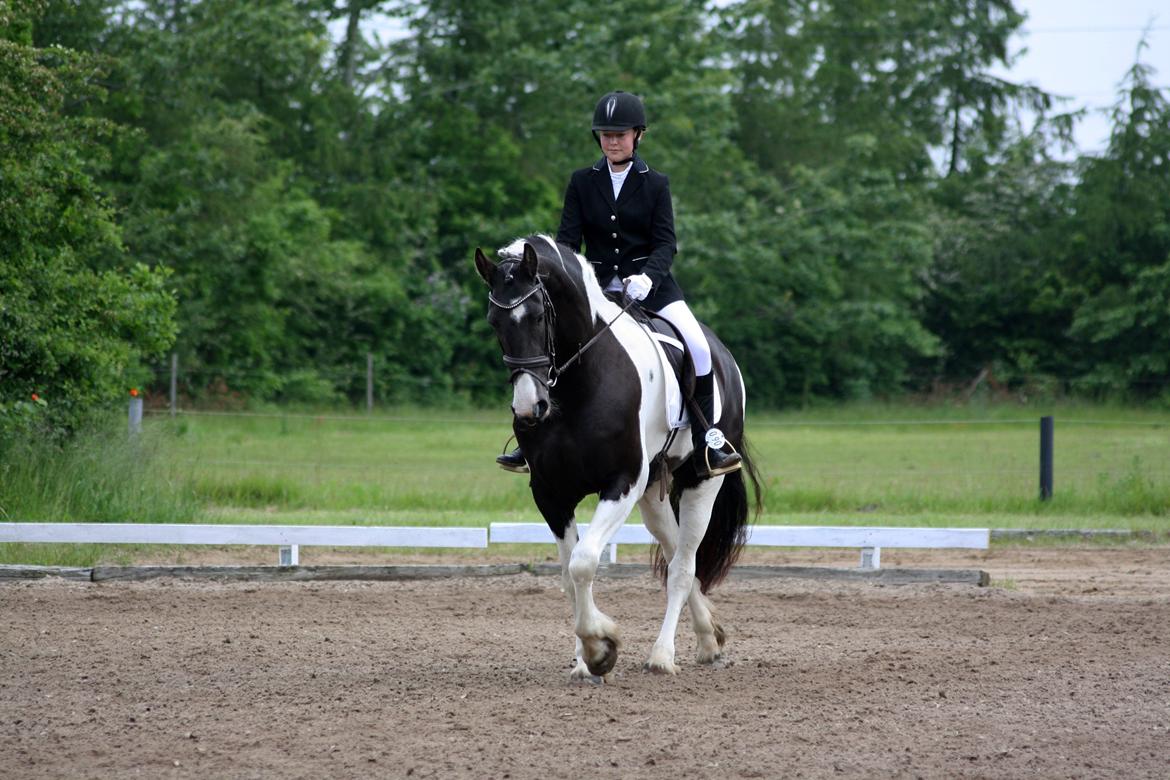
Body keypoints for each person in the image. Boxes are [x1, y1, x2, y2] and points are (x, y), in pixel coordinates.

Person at [497, 90, 741, 479]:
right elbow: (567, 242)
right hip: (595, 292)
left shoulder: (655, 184)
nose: (612, 141)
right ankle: (528, 439)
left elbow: (666, 243)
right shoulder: (582, 182)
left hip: (652, 288)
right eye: (605, 134)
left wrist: (648, 277)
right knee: (544, 345)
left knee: (697, 345)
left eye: (620, 134)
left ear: (637, 136)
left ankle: (709, 438)